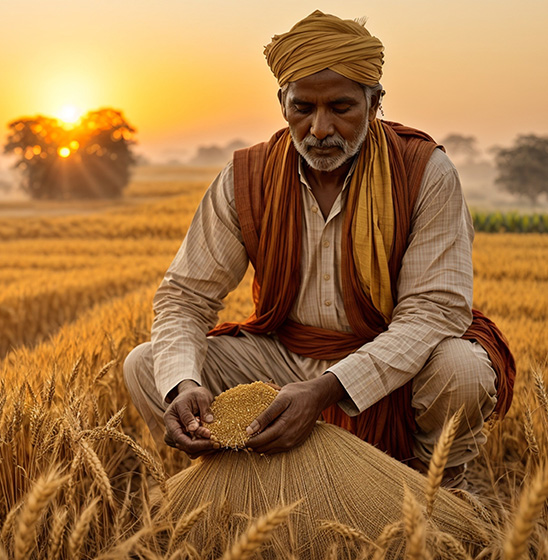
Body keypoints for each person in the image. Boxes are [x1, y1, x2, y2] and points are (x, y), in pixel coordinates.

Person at [123, 10, 515, 488]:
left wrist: (327, 389)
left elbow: (433, 311)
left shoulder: (424, 172)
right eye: (303, 108)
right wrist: (185, 384)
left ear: (375, 104)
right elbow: (184, 296)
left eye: (342, 108)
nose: (320, 128)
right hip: (285, 355)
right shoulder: (248, 177)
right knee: (147, 365)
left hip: (393, 357)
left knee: (462, 370)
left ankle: (434, 494)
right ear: (281, 102)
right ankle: (258, 495)